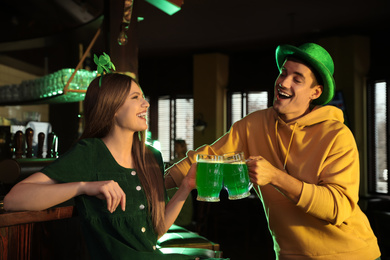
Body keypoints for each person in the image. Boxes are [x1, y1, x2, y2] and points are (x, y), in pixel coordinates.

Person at [165, 43, 382, 260]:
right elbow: (203, 159)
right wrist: (150, 184)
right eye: (283, 73)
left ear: (315, 92)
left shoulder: (337, 135)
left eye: (297, 79)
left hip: (351, 254)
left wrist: (276, 177)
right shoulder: (254, 124)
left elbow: (338, 208)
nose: (283, 82)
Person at [3, 70, 202, 259]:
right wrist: (84, 187)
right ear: (113, 108)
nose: (146, 104)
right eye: (135, 97)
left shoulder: (152, 157)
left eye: (143, 96)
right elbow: (14, 199)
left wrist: (185, 188)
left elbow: (155, 232)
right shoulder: (89, 152)